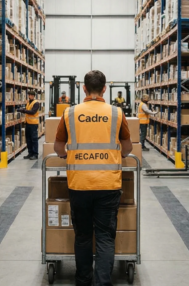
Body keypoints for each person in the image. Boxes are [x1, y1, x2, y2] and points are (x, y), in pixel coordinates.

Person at [54, 70, 132, 286]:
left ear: (83, 88)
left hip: (79, 184)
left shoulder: (70, 113)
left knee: (83, 236)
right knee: (105, 237)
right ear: (105, 89)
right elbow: (127, 148)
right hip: (108, 185)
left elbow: (58, 148)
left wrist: (68, 155)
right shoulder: (116, 113)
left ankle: (83, 280)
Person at [18, 91, 40, 159]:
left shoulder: (36, 103)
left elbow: (33, 112)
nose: (30, 96)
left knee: (34, 139)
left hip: (33, 124)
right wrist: (22, 110)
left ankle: (35, 154)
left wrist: (23, 110)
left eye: (31, 95)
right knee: (28, 139)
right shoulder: (28, 103)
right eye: (29, 95)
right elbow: (27, 110)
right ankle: (30, 153)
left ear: (33, 96)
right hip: (27, 123)